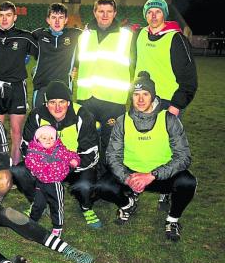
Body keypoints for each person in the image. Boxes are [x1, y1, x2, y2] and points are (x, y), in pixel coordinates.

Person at [12, 81, 136, 229]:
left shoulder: (82, 115)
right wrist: (42, 165)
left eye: (62, 102)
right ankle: (38, 201)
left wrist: (64, 167)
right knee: (18, 172)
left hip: (74, 165)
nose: (57, 107)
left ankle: (86, 207)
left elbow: (91, 154)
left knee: (84, 187)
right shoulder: (37, 115)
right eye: (52, 102)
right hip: (44, 165)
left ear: (69, 103)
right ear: (46, 103)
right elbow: (26, 145)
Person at [107, 72, 197, 242]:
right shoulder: (122, 121)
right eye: (136, 95)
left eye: (145, 94)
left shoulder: (169, 119)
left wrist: (151, 175)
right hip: (132, 176)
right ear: (131, 97)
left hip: (159, 176)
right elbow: (112, 155)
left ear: (153, 96)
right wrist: (127, 178)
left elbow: (184, 157)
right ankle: (128, 204)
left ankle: (172, 220)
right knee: (103, 185)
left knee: (188, 182)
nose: (140, 100)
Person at [0, 1, 38, 165]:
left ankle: (15, 166)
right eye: (1, 15)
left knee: (16, 131)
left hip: (17, 88)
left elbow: (42, 53)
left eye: (8, 15)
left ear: (15, 17)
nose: (4, 19)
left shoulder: (24, 37)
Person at [75, 0, 134, 162]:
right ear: (95, 12)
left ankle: (109, 179)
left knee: (111, 144)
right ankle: (89, 175)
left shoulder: (126, 37)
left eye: (109, 11)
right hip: (87, 98)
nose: (105, 15)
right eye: (101, 11)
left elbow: (136, 65)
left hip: (113, 101)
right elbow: (78, 62)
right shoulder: (84, 36)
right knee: (87, 141)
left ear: (115, 13)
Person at [134, 0, 197, 117]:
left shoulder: (176, 39)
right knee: (140, 136)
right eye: (149, 12)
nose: (153, 16)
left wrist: (177, 105)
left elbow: (189, 77)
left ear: (164, 15)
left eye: (158, 12)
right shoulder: (139, 35)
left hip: (167, 102)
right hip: (141, 99)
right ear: (145, 15)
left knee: (165, 136)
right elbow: (132, 64)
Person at [24, 125, 80, 237]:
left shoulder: (59, 149)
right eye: (44, 138)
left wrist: (75, 160)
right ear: (37, 139)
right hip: (41, 183)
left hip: (55, 184)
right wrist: (46, 168)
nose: (48, 141)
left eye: (51, 138)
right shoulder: (33, 152)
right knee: (38, 204)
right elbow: (30, 163)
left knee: (57, 205)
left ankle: (57, 227)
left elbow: (71, 154)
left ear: (56, 139)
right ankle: (32, 220)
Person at [30, 3, 81, 107]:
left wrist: (76, 65)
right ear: (48, 20)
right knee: (39, 120)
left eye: (61, 17)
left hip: (64, 87)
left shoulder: (75, 35)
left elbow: (92, 42)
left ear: (66, 20)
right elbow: (18, 38)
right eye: (53, 17)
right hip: (42, 87)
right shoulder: (39, 34)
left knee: (63, 121)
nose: (57, 21)